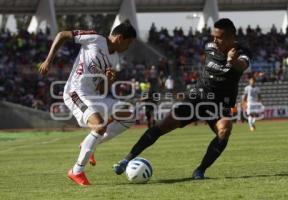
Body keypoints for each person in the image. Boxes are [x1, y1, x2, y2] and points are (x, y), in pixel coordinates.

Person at [113, 18, 250, 179]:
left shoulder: (242, 52)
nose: (214, 40)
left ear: (230, 37)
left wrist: (233, 62)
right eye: (213, 36)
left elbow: (242, 65)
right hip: (196, 98)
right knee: (162, 125)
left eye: (218, 37)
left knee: (225, 129)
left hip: (220, 104)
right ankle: (126, 159)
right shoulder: (210, 47)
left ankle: (200, 170)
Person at [39, 21, 137, 186]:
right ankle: (76, 171)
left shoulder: (114, 59)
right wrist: (49, 60)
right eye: (129, 43)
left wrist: (109, 79)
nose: (128, 47)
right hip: (75, 92)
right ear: (120, 38)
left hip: (92, 96)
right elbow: (62, 35)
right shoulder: (95, 39)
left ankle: (91, 142)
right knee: (99, 126)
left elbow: (101, 89)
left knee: (129, 114)